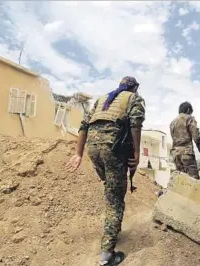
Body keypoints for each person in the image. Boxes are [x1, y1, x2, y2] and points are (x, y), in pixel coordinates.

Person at [65, 76, 145, 266]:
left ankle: (112, 226)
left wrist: (78, 154)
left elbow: (84, 125)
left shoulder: (102, 100)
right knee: (115, 199)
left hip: (94, 150)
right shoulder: (134, 99)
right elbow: (135, 125)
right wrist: (136, 153)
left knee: (111, 189)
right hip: (113, 149)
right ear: (134, 88)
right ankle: (107, 256)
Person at [170, 101, 200, 179]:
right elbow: (196, 136)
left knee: (182, 181)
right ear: (188, 110)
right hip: (186, 153)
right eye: (190, 112)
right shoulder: (189, 118)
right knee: (193, 180)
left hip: (176, 155)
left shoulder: (172, 122)